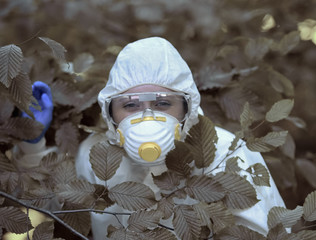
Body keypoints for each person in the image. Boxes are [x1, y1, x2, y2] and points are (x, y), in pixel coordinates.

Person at [74, 37, 287, 239]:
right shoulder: (96, 156)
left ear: (188, 109)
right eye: (131, 105)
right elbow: (64, 216)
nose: (148, 118)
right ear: (110, 114)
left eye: (163, 104)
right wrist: (38, 146)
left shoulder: (227, 153)